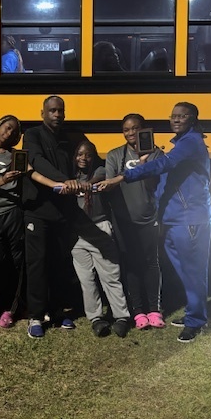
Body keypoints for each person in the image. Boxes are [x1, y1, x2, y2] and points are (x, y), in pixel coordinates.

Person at [96, 102, 211, 343]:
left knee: (193, 272)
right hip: (173, 218)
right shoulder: (180, 144)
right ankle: (193, 313)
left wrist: (124, 176)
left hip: (189, 218)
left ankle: (196, 321)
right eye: (173, 116)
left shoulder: (191, 143)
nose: (176, 120)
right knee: (185, 271)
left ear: (193, 119)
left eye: (182, 116)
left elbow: (164, 165)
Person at [0, 114, 65, 329]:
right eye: (7, 128)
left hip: (14, 213)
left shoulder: (17, 155)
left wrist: (55, 184)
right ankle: (11, 301)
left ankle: (13, 307)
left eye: (14, 132)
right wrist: (2, 180)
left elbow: (32, 174)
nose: (9, 133)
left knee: (18, 262)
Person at [21, 95, 89, 338]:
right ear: (43, 113)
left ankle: (58, 310)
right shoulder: (32, 135)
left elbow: (88, 161)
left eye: (60, 110)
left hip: (62, 211)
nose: (57, 115)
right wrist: (64, 180)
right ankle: (36, 316)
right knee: (37, 264)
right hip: (37, 211)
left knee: (60, 262)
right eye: (52, 110)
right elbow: (36, 161)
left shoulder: (69, 139)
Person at [105, 113, 164, 330]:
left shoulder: (157, 154)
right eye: (126, 129)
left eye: (135, 128)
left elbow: (154, 185)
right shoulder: (114, 155)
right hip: (124, 220)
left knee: (151, 262)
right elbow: (109, 186)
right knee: (131, 263)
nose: (131, 133)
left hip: (149, 218)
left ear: (144, 129)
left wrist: (144, 162)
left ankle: (154, 310)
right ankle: (138, 312)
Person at [70, 140, 130, 338]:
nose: (83, 158)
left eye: (88, 155)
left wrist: (87, 184)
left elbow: (99, 177)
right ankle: (96, 318)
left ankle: (121, 316)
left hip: (100, 228)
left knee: (110, 276)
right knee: (86, 280)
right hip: (78, 234)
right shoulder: (70, 176)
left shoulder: (100, 171)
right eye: (80, 154)